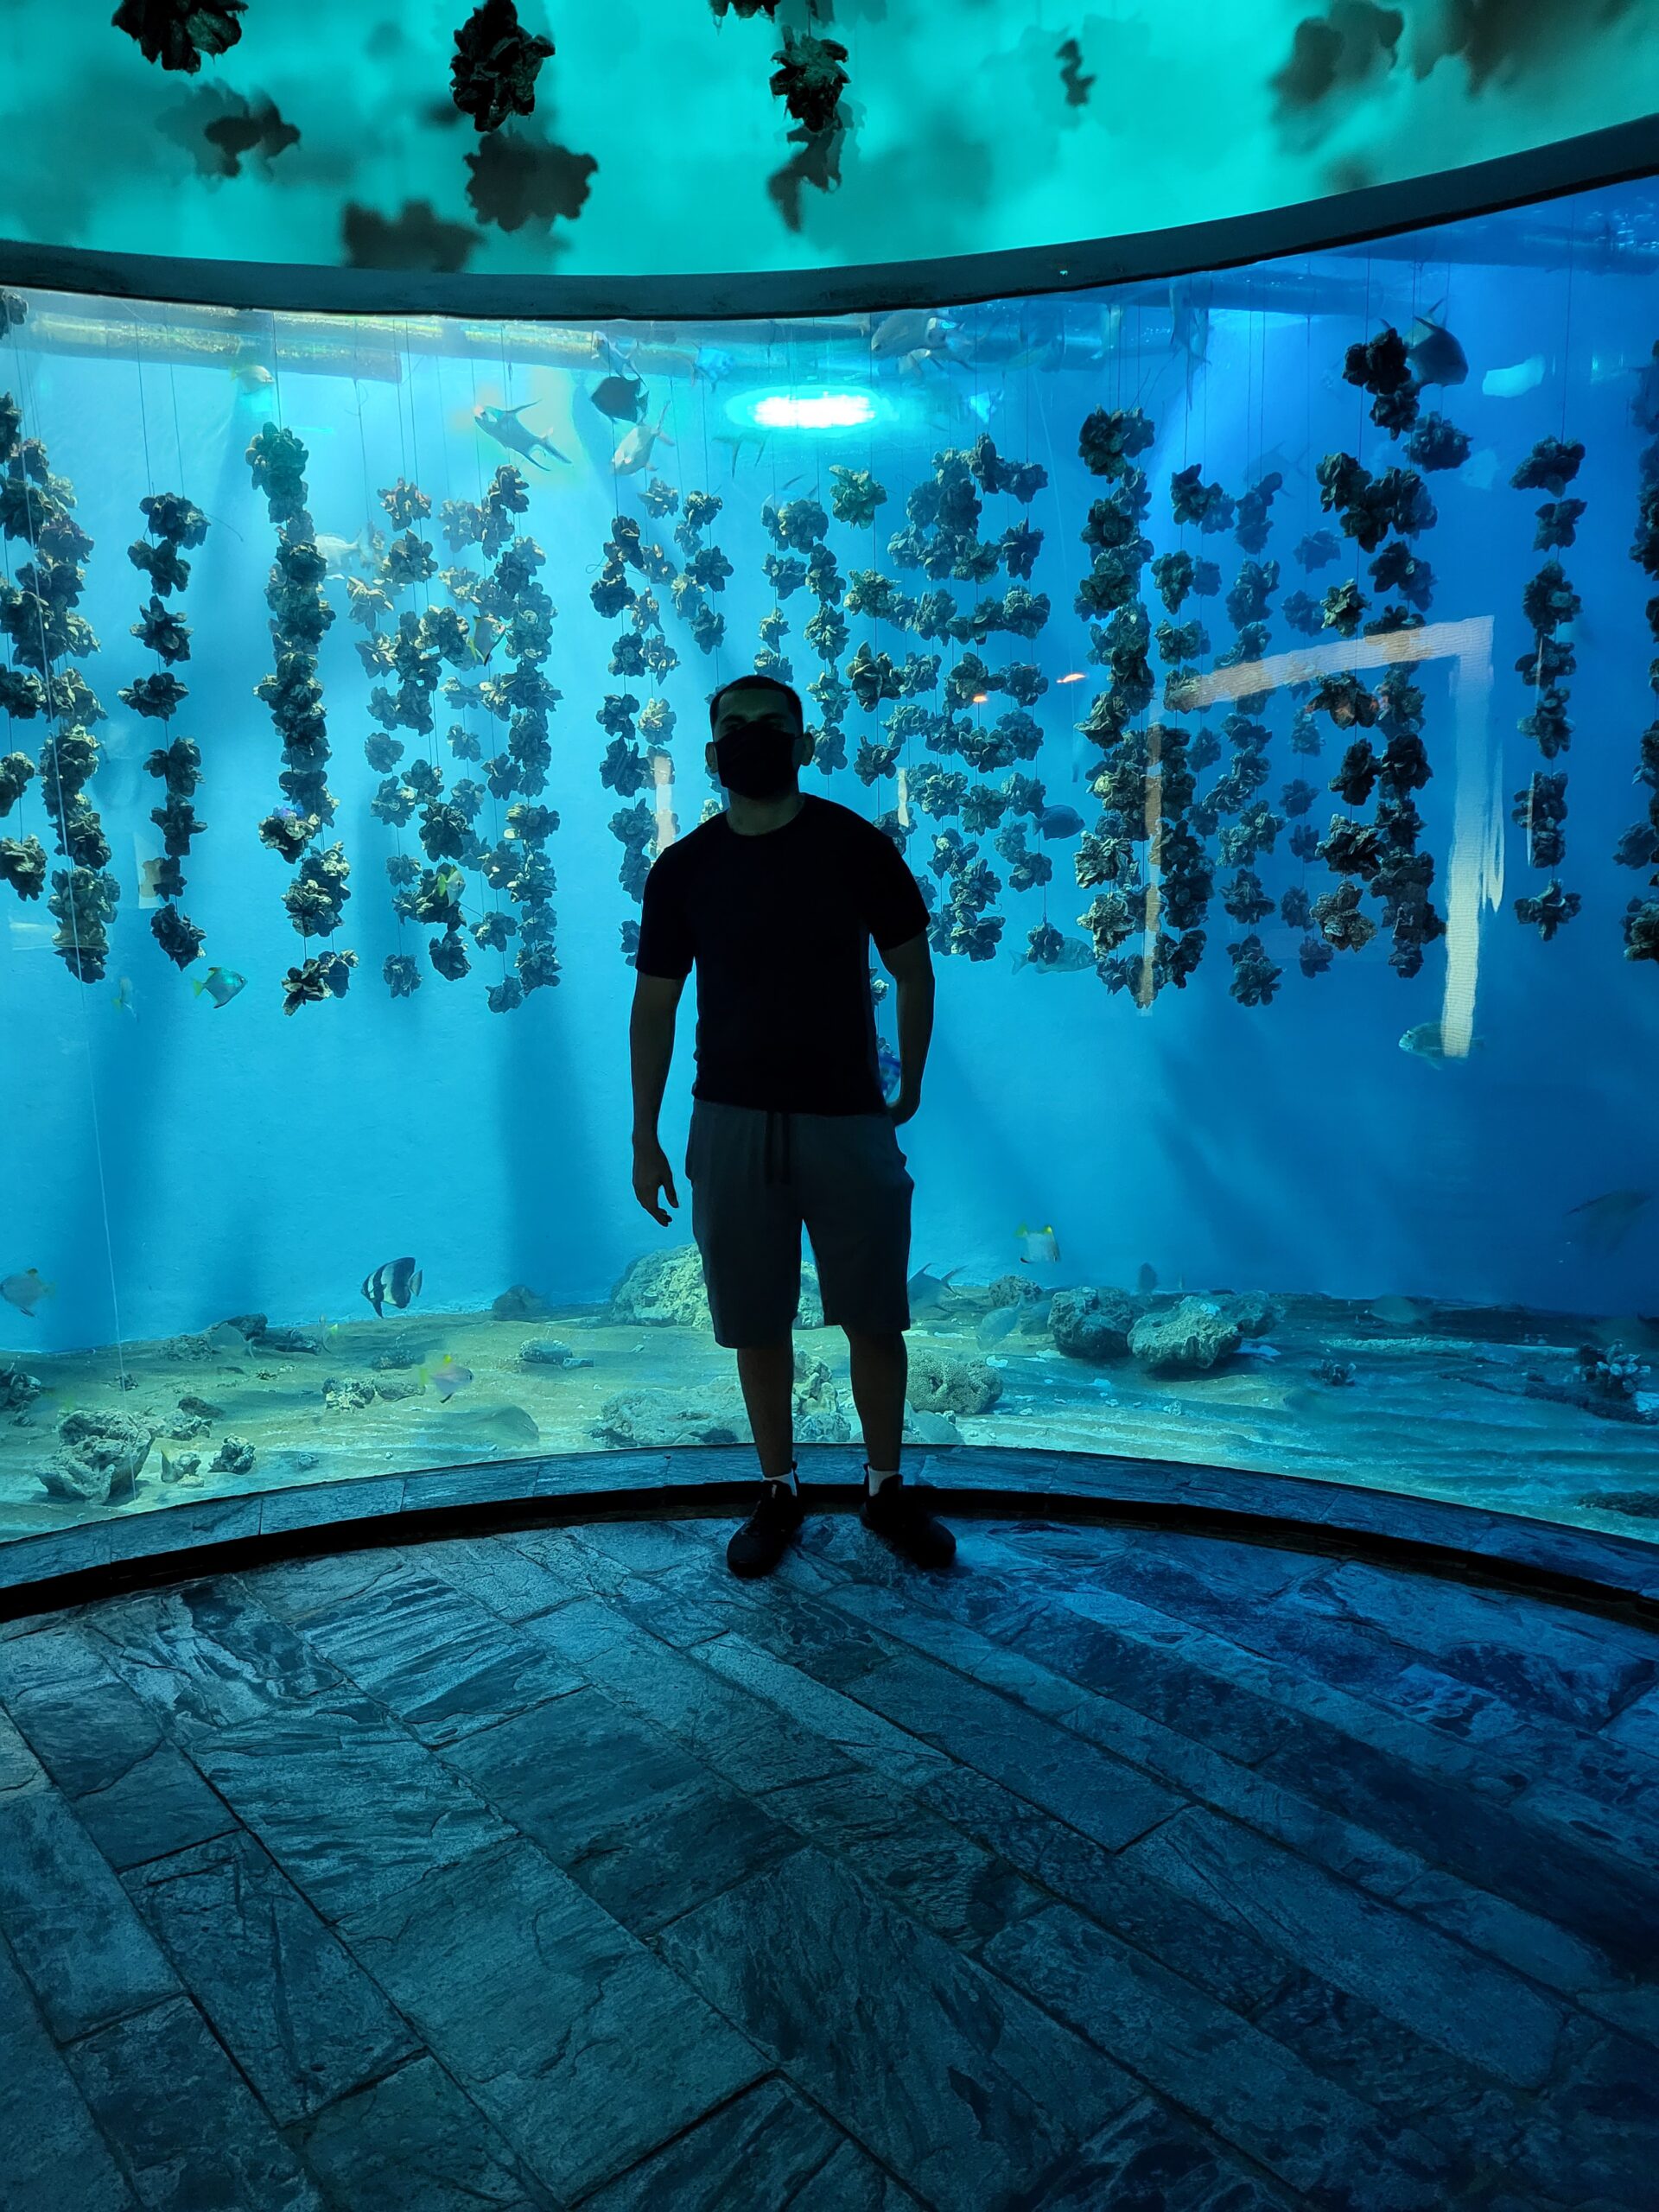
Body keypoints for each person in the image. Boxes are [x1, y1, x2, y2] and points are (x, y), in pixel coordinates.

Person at [629, 673, 956, 1579]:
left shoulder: (856, 847)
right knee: (755, 1321)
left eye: (772, 724)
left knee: (875, 1315)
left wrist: (909, 1080)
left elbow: (915, 969)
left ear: (805, 744)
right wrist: (643, 1135)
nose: (754, 737)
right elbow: (654, 1007)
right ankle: (779, 1489)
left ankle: (884, 1486)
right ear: (711, 753)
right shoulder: (683, 871)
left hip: (847, 1118)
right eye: (736, 725)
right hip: (729, 1120)